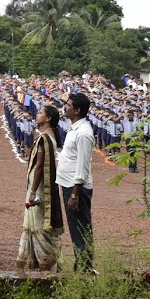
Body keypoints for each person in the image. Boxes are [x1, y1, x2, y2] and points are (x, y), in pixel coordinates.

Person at [17, 104, 64, 271]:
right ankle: (45, 263)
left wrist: (31, 192)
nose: (37, 115)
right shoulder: (47, 136)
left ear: (48, 118)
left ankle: (47, 264)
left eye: (41, 113)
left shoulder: (44, 138)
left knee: (40, 224)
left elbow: (39, 166)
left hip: (39, 189)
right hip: (42, 187)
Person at [56, 92, 95, 273]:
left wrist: (74, 194)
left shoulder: (84, 133)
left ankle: (84, 268)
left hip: (76, 187)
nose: (65, 107)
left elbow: (82, 166)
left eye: (69, 104)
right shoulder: (75, 129)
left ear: (77, 110)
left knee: (80, 228)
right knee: (75, 227)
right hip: (68, 184)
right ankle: (81, 265)